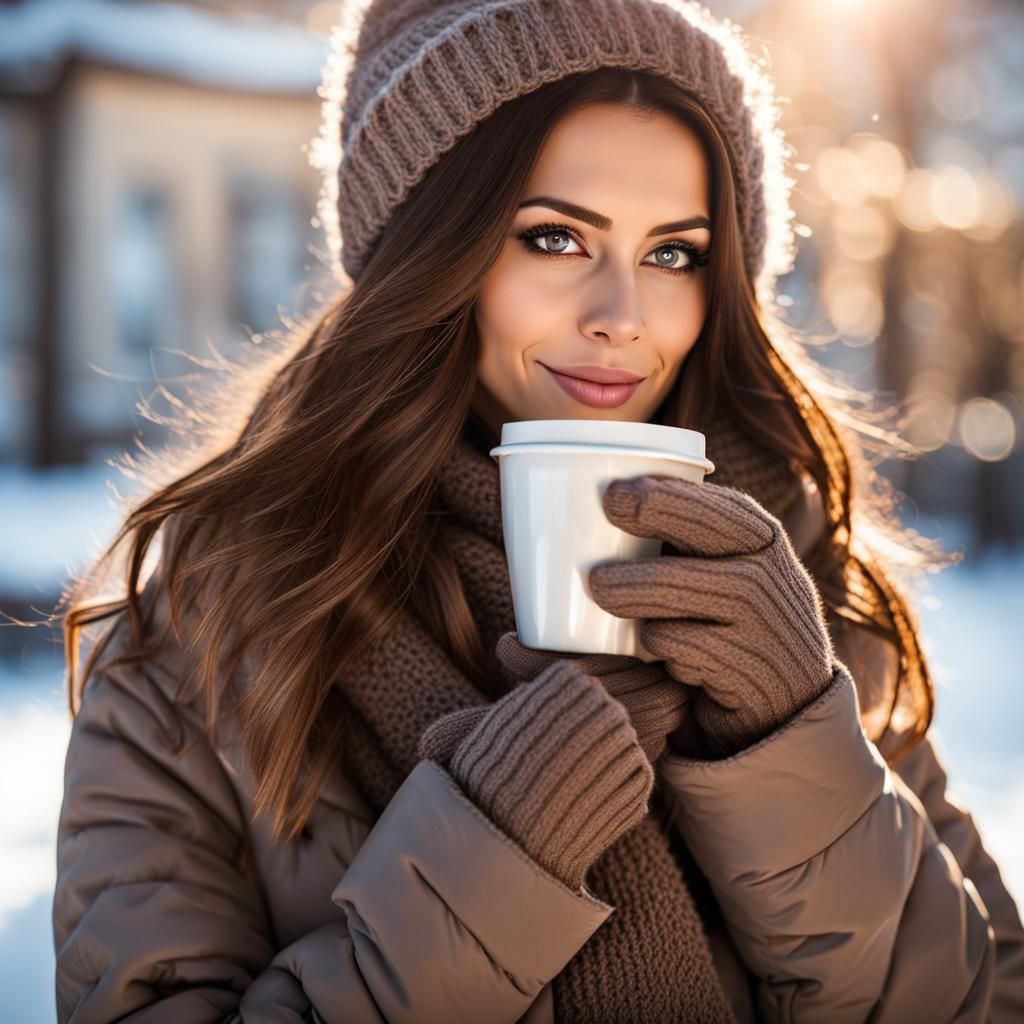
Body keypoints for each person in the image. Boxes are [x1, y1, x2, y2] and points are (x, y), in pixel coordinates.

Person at [52, 0, 1024, 1021]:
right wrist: (493, 849)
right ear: (426, 254)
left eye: (675, 253)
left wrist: (788, 747)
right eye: (555, 238)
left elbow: (988, 998)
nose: (622, 316)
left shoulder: (792, 581)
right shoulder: (210, 640)